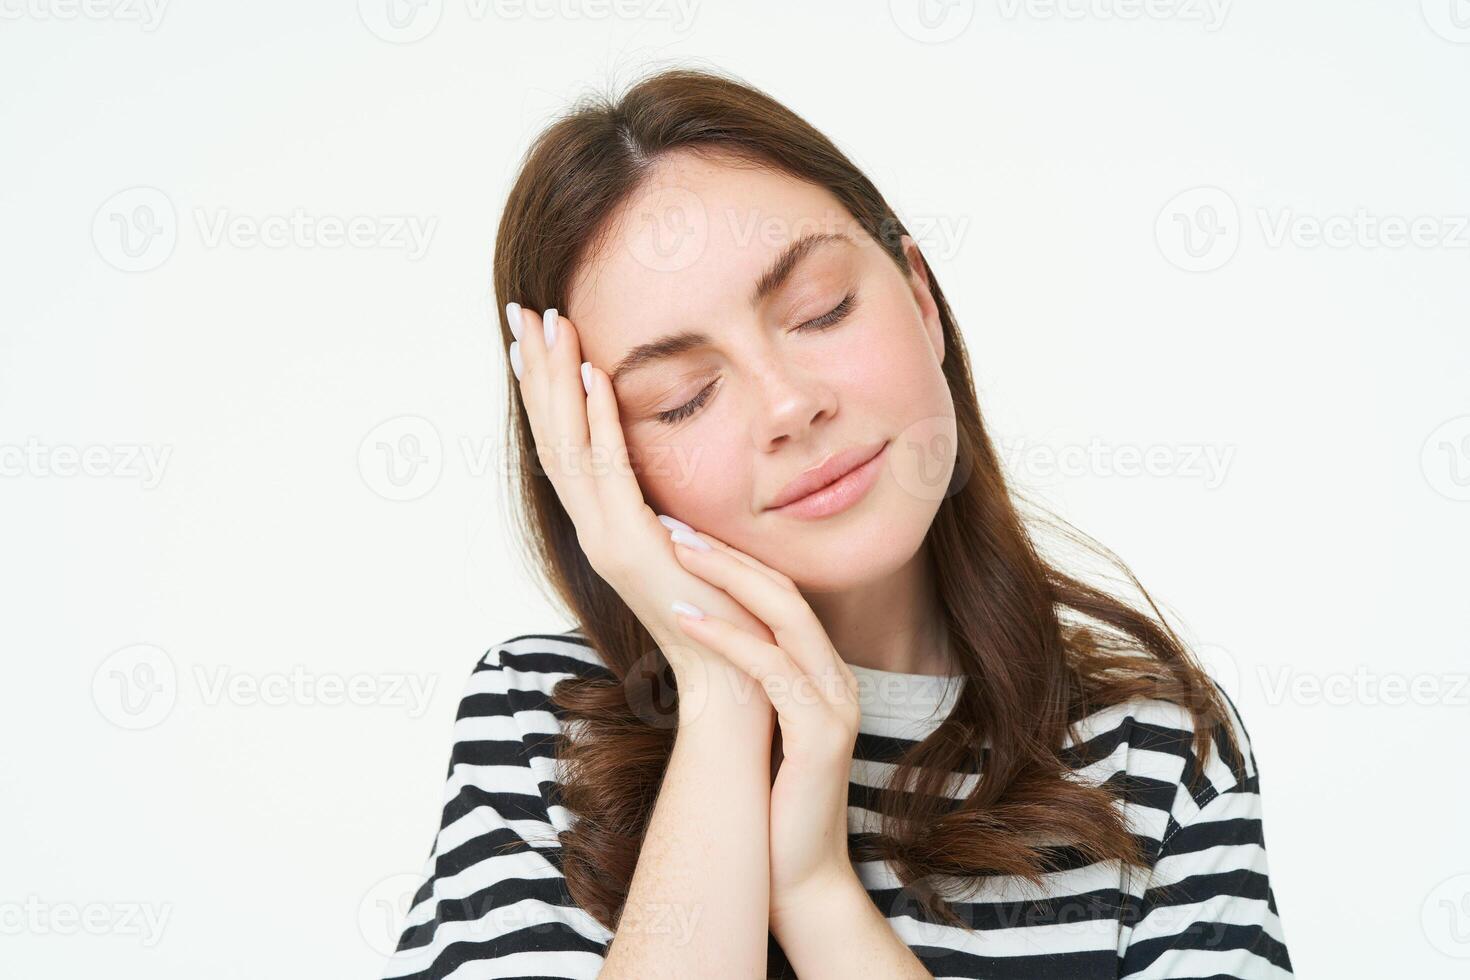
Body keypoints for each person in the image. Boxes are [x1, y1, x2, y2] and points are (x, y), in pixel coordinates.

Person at [382, 64, 1292, 979]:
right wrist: (720, 691)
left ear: (921, 297)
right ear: (595, 459)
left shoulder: (1159, 753)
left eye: (821, 312)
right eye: (683, 399)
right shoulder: (541, 736)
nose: (787, 406)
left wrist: (816, 893)